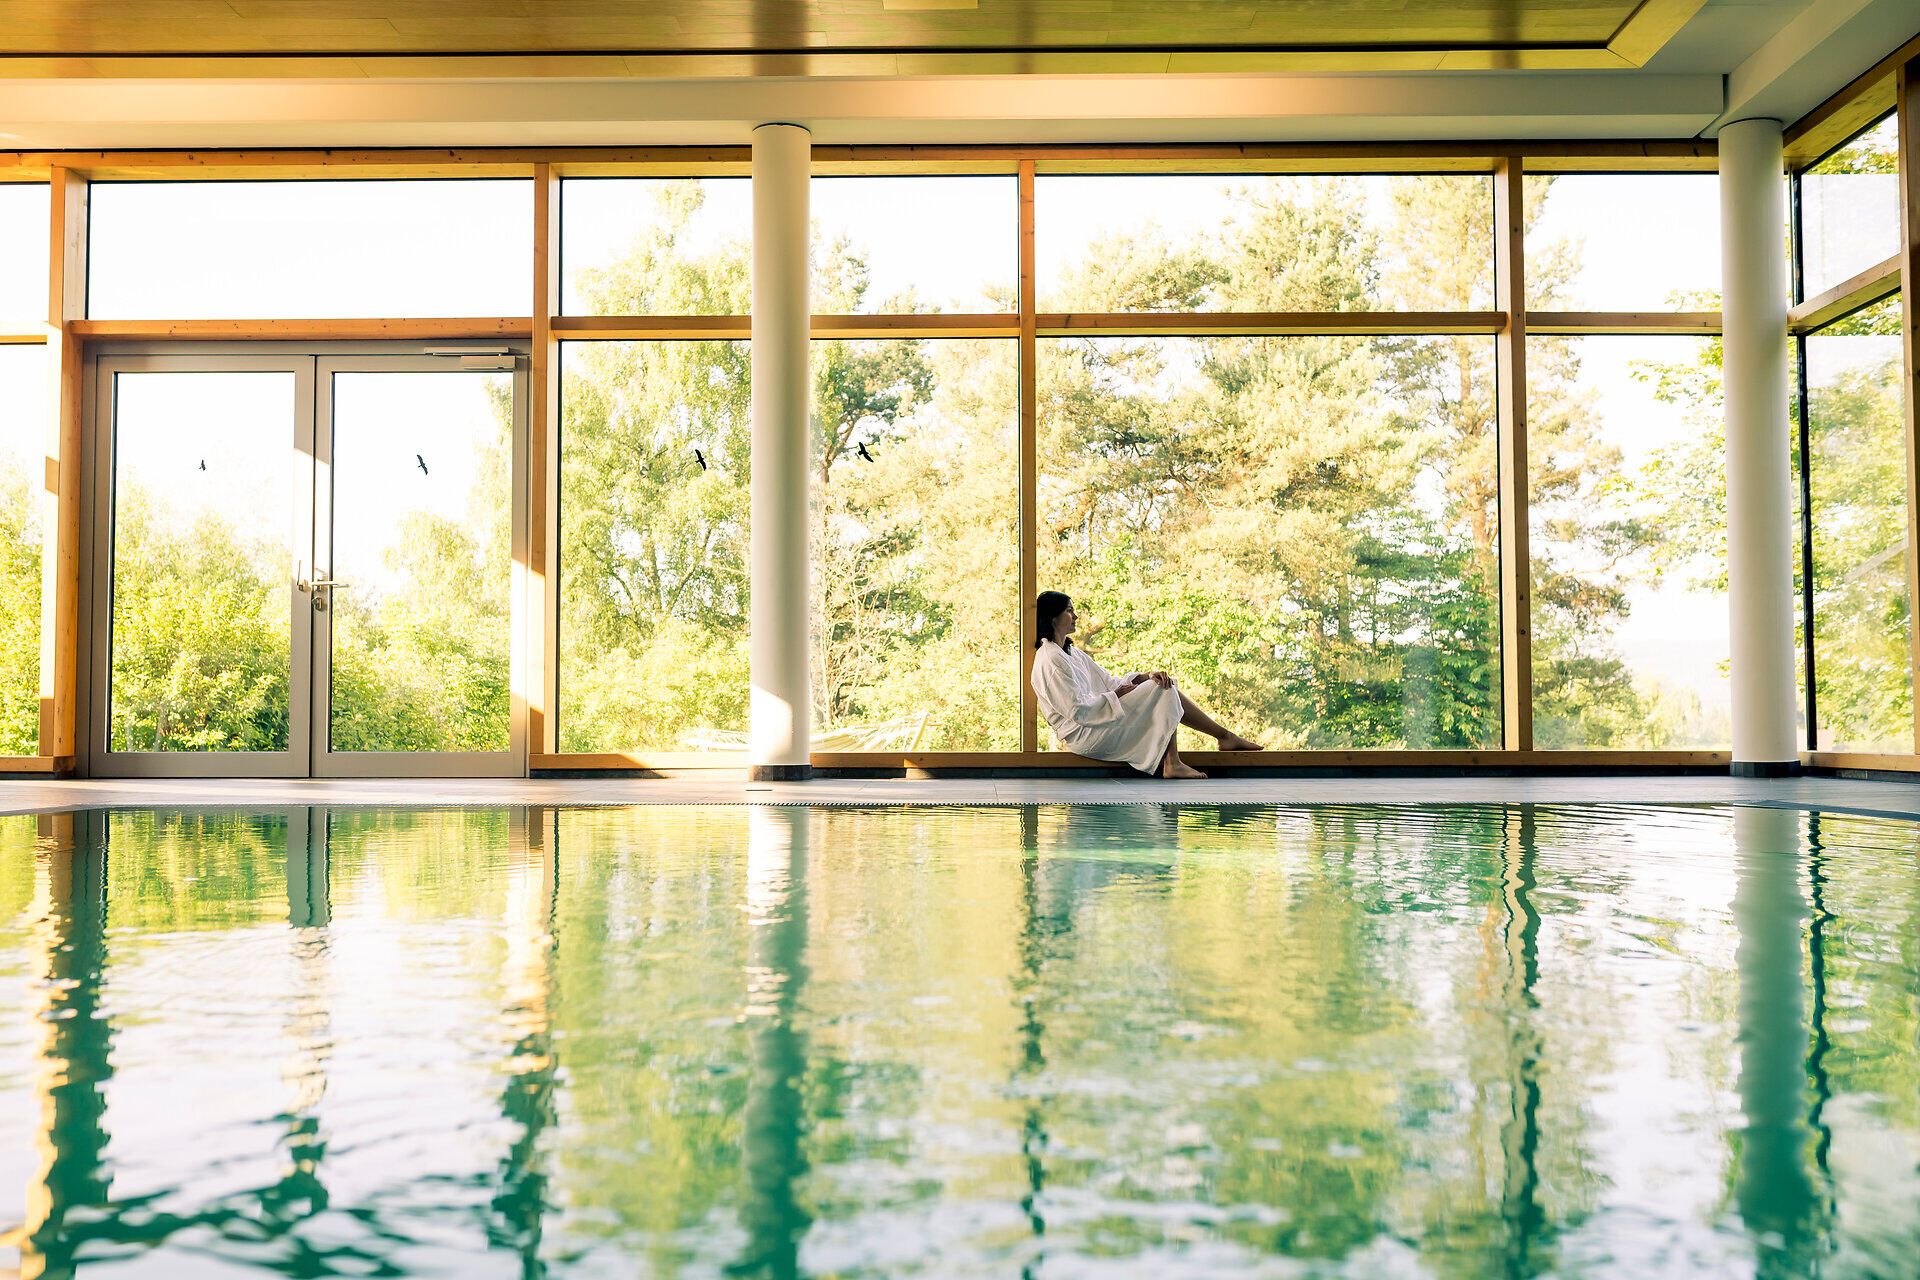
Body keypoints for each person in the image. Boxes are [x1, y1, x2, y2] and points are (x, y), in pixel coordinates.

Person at [1029, 590, 1262, 779]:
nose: (1076, 616)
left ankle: (1203, 747)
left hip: (1096, 723)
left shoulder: (1072, 654)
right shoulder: (1050, 659)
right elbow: (1076, 710)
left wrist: (1143, 676)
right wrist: (1116, 695)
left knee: (1160, 682)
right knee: (1162, 688)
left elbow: (1109, 682)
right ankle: (1186, 755)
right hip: (1083, 735)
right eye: (1070, 611)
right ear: (1053, 617)